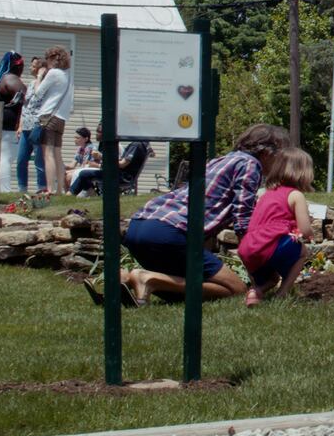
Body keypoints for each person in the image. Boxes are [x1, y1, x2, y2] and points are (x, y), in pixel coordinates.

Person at [117, 124, 288, 305]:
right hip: (167, 232)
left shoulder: (221, 160)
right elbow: (242, 220)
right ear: (266, 152)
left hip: (139, 226)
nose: (281, 163)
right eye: (280, 156)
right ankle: (146, 279)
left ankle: (125, 279)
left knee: (185, 293)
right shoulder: (251, 165)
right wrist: (257, 268)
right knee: (236, 289)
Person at [238, 147, 317, 308]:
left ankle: (256, 292)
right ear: (303, 172)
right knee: (302, 252)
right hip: (270, 245)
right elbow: (304, 229)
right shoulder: (295, 195)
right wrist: (310, 232)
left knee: (271, 279)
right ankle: (283, 293)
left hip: (248, 247)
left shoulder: (266, 194)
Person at [31, 46, 74, 196]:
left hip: (48, 117)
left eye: (48, 59)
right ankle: (60, 189)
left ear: (53, 59)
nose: (47, 62)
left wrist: (39, 76)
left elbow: (38, 93)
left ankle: (50, 189)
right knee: (57, 154)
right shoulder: (67, 75)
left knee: (47, 154)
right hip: (61, 118)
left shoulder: (54, 73)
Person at [72, 134, 151, 196]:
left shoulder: (136, 145)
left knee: (84, 174)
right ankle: (92, 195)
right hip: (121, 175)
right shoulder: (143, 144)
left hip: (122, 177)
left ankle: (70, 195)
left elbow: (122, 164)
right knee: (86, 174)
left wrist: (101, 156)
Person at [15, 57, 48, 195]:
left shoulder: (45, 84)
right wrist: (20, 125)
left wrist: (41, 76)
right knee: (21, 159)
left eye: (34, 66)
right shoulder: (30, 83)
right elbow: (25, 106)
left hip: (38, 125)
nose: (30, 68)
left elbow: (39, 96)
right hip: (26, 126)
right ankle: (22, 189)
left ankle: (42, 187)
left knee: (39, 160)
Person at [0, 53, 26, 193]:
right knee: (5, 159)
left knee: (3, 158)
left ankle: (0, 189)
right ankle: (4, 190)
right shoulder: (10, 78)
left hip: (1, 125)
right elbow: (27, 95)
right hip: (7, 127)